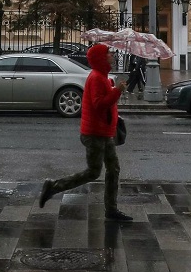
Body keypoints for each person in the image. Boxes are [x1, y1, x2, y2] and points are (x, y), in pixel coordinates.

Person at [39, 43, 132, 221]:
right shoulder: (96, 77)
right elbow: (99, 105)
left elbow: (104, 101)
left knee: (113, 169)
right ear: (100, 58)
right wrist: (117, 92)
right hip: (95, 134)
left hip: (105, 132)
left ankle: (111, 210)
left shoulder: (102, 77)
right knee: (93, 172)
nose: (112, 56)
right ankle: (53, 186)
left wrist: (113, 89)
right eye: (109, 54)